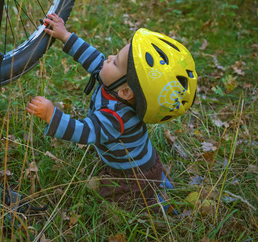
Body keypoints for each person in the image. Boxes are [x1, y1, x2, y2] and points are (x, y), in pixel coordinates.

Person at [26, 13, 197, 211]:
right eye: (115, 55)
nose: (109, 58)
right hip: (144, 161)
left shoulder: (116, 117)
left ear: (126, 92)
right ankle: (157, 180)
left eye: (115, 61)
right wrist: (65, 35)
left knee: (113, 201)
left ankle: (156, 202)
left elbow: (85, 132)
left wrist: (51, 115)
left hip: (132, 177)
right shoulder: (115, 82)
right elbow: (91, 57)